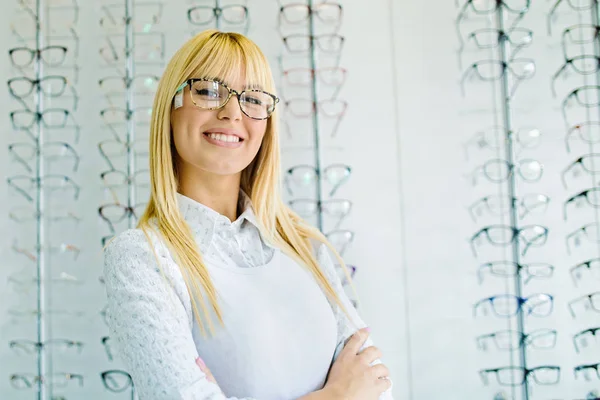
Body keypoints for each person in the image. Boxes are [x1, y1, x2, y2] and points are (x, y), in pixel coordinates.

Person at [103, 29, 393, 400]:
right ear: (169, 109)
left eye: (253, 99)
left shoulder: (305, 246)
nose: (231, 112)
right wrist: (337, 395)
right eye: (207, 90)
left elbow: (379, 389)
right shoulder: (142, 258)